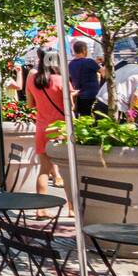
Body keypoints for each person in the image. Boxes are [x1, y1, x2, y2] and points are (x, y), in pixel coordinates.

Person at [24, 47, 69, 215]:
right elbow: (69, 108)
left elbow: (30, 105)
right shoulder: (61, 80)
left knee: (43, 170)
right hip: (61, 128)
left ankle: (41, 209)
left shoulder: (33, 80)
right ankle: (72, 209)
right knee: (67, 171)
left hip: (42, 127)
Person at [67, 41, 102, 117]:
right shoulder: (89, 62)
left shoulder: (71, 64)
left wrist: (95, 62)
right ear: (84, 50)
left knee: (84, 118)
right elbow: (104, 73)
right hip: (92, 95)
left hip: (79, 95)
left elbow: (82, 67)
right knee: (94, 118)